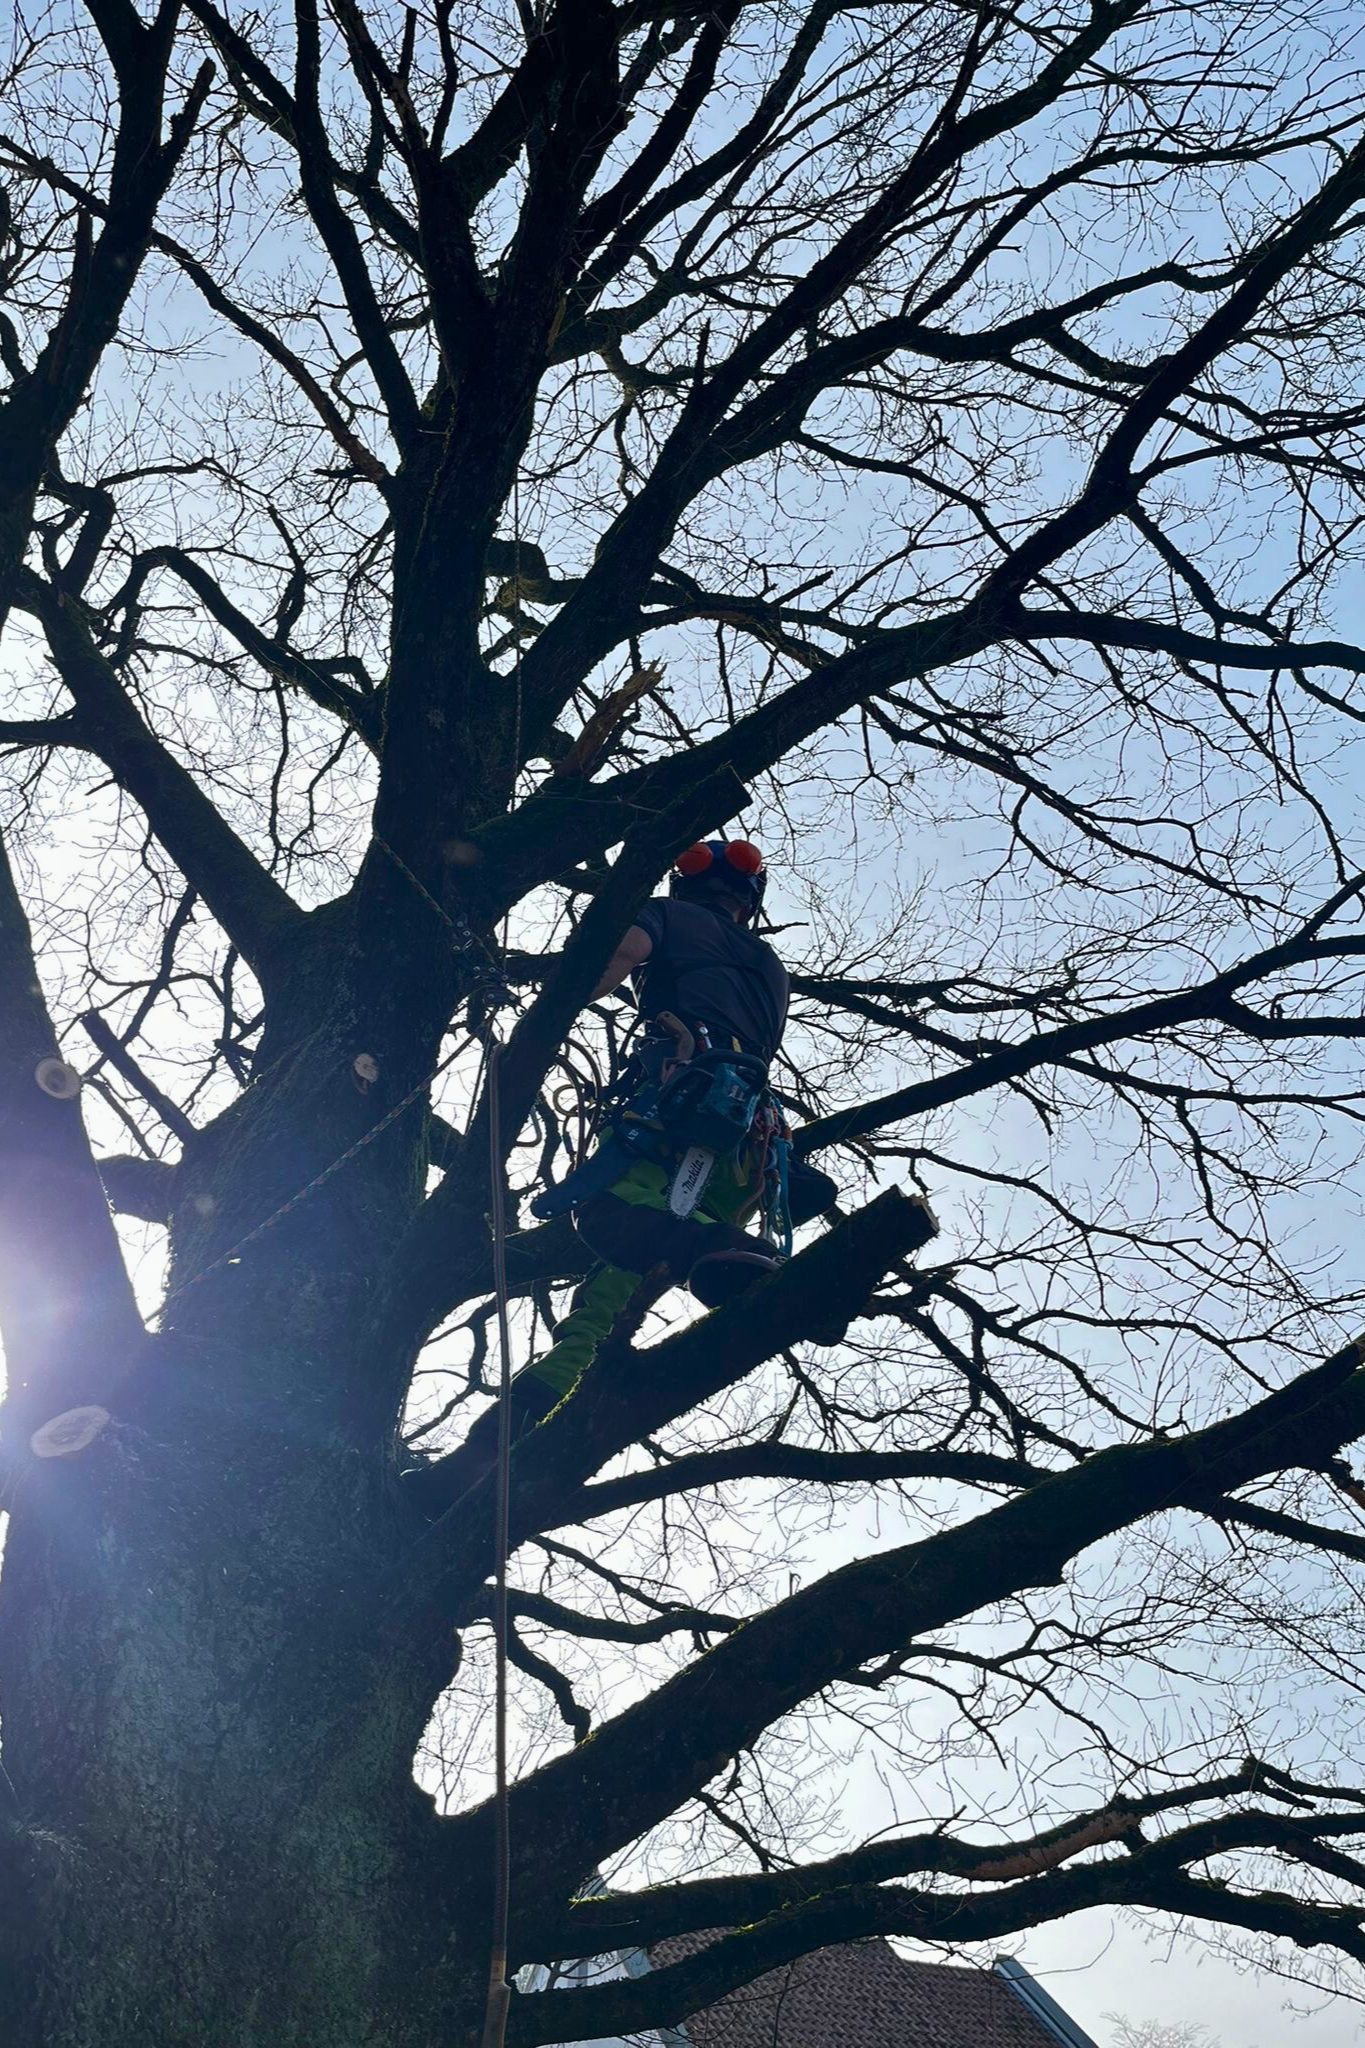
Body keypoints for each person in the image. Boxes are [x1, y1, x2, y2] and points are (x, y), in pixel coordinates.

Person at [526, 838, 838, 1406]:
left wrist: (542, 1018)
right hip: (747, 1139)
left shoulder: (669, 915)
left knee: (607, 1216)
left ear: (684, 885)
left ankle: (746, 1260)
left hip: (673, 1105)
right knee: (634, 1262)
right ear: (750, 899)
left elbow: (614, 960)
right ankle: (544, 1400)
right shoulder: (771, 967)